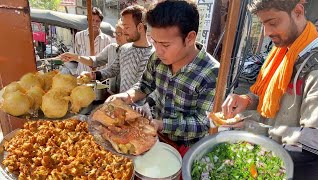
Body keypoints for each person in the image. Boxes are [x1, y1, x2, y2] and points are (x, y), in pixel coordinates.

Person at [221, 0, 318, 179]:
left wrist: (254, 129)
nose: (267, 32)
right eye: (263, 24)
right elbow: (273, 96)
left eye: (273, 23)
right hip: (265, 160)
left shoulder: (315, 68)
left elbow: (314, 140)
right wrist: (248, 99)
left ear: (298, 11)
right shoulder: (284, 51)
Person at [106, 0, 220, 147]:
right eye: (154, 42)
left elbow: (203, 123)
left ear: (190, 38)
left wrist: (162, 124)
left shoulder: (210, 73)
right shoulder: (156, 58)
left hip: (187, 148)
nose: (158, 51)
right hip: (156, 138)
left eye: (165, 45)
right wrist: (127, 96)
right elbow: (145, 85)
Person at [61, 5, 154, 93]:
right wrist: (94, 75)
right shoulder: (124, 49)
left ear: (140, 27)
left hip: (141, 108)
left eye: (127, 27)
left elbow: (147, 88)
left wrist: (127, 98)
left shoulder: (153, 55)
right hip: (122, 104)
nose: (124, 31)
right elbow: (112, 70)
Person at [60, 19, 127, 94]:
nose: (116, 37)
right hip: (112, 93)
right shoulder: (112, 48)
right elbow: (96, 60)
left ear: (128, 34)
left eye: (120, 34)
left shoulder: (134, 51)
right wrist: (76, 57)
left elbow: (112, 70)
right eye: (115, 34)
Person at [74, 7, 112, 75]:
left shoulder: (107, 40)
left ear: (101, 22)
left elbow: (108, 60)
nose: (95, 23)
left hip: (99, 78)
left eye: (97, 21)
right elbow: (77, 53)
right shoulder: (79, 36)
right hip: (82, 76)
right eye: (92, 20)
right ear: (88, 21)